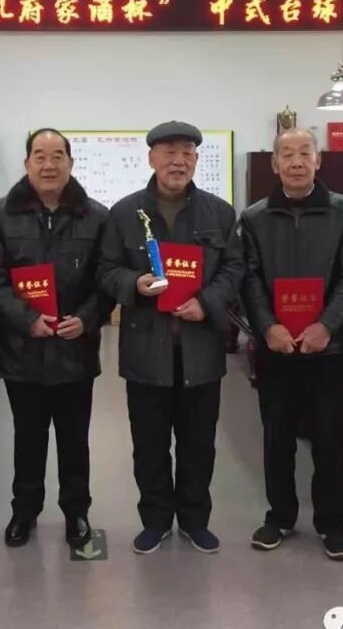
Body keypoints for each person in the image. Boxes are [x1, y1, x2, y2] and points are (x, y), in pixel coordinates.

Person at [98, 121, 244, 555]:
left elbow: (235, 269)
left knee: (199, 445)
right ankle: (156, 520)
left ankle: (195, 520)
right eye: (169, 152)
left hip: (200, 350)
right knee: (149, 444)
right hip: (146, 349)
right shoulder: (124, 213)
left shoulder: (219, 213)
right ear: (151, 159)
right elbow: (105, 270)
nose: (178, 161)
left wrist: (207, 302)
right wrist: (134, 284)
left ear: (196, 160)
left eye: (187, 153)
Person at [0, 128, 113, 549]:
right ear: (26, 163)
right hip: (22, 349)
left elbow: (106, 279)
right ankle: (25, 511)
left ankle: (77, 512)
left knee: (75, 439)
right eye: (40, 156)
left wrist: (87, 319)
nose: (49, 164)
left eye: (58, 156)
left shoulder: (96, 216)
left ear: (71, 163)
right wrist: (26, 320)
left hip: (75, 348)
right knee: (28, 437)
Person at [239, 128, 343, 560]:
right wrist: (267, 326)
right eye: (287, 154)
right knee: (277, 436)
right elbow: (249, 279)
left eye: (304, 153)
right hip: (275, 348)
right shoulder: (254, 217)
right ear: (274, 163)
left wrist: (327, 326)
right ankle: (280, 517)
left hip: (326, 349)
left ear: (318, 160)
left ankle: (332, 523)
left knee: (329, 437)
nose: (296, 161)